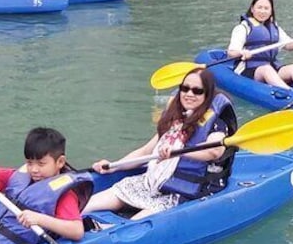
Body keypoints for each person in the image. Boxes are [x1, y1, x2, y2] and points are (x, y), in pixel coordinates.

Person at [83, 68, 237, 220]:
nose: (189, 94)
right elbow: (145, 152)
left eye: (197, 91)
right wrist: (113, 166)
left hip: (187, 192)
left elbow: (214, 151)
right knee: (91, 203)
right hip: (156, 183)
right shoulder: (176, 120)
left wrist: (180, 150)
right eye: (185, 88)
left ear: (207, 94)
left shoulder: (217, 122)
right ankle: (70, 222)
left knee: (136, 223)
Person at [227, 0, 293, 89]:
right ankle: (290, 93)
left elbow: (289, 45)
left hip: (272, 67)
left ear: (271, 11)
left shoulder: (274, 27)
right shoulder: (243, 28)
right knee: (266, 69)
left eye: (266, 8)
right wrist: (242, 52)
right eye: (259, 7)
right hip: (249, 69)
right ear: (252, 9)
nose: (262, 11)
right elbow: (231, 52)